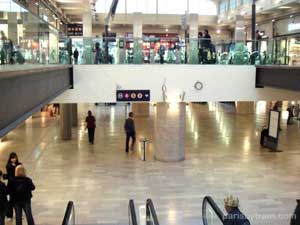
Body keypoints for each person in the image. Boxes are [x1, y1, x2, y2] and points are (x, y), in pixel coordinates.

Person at [4, 152, 21, 221]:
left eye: (14, 158)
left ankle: (19, 214)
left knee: (18, 200)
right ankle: (9, 215)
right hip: (11, 185)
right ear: (10, 159)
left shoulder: (19, 165)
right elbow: (10, 176)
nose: (13, 159)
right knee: (11, 201)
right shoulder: (8, 166)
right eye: (12, 158)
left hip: (18, 185)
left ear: (16, 158)